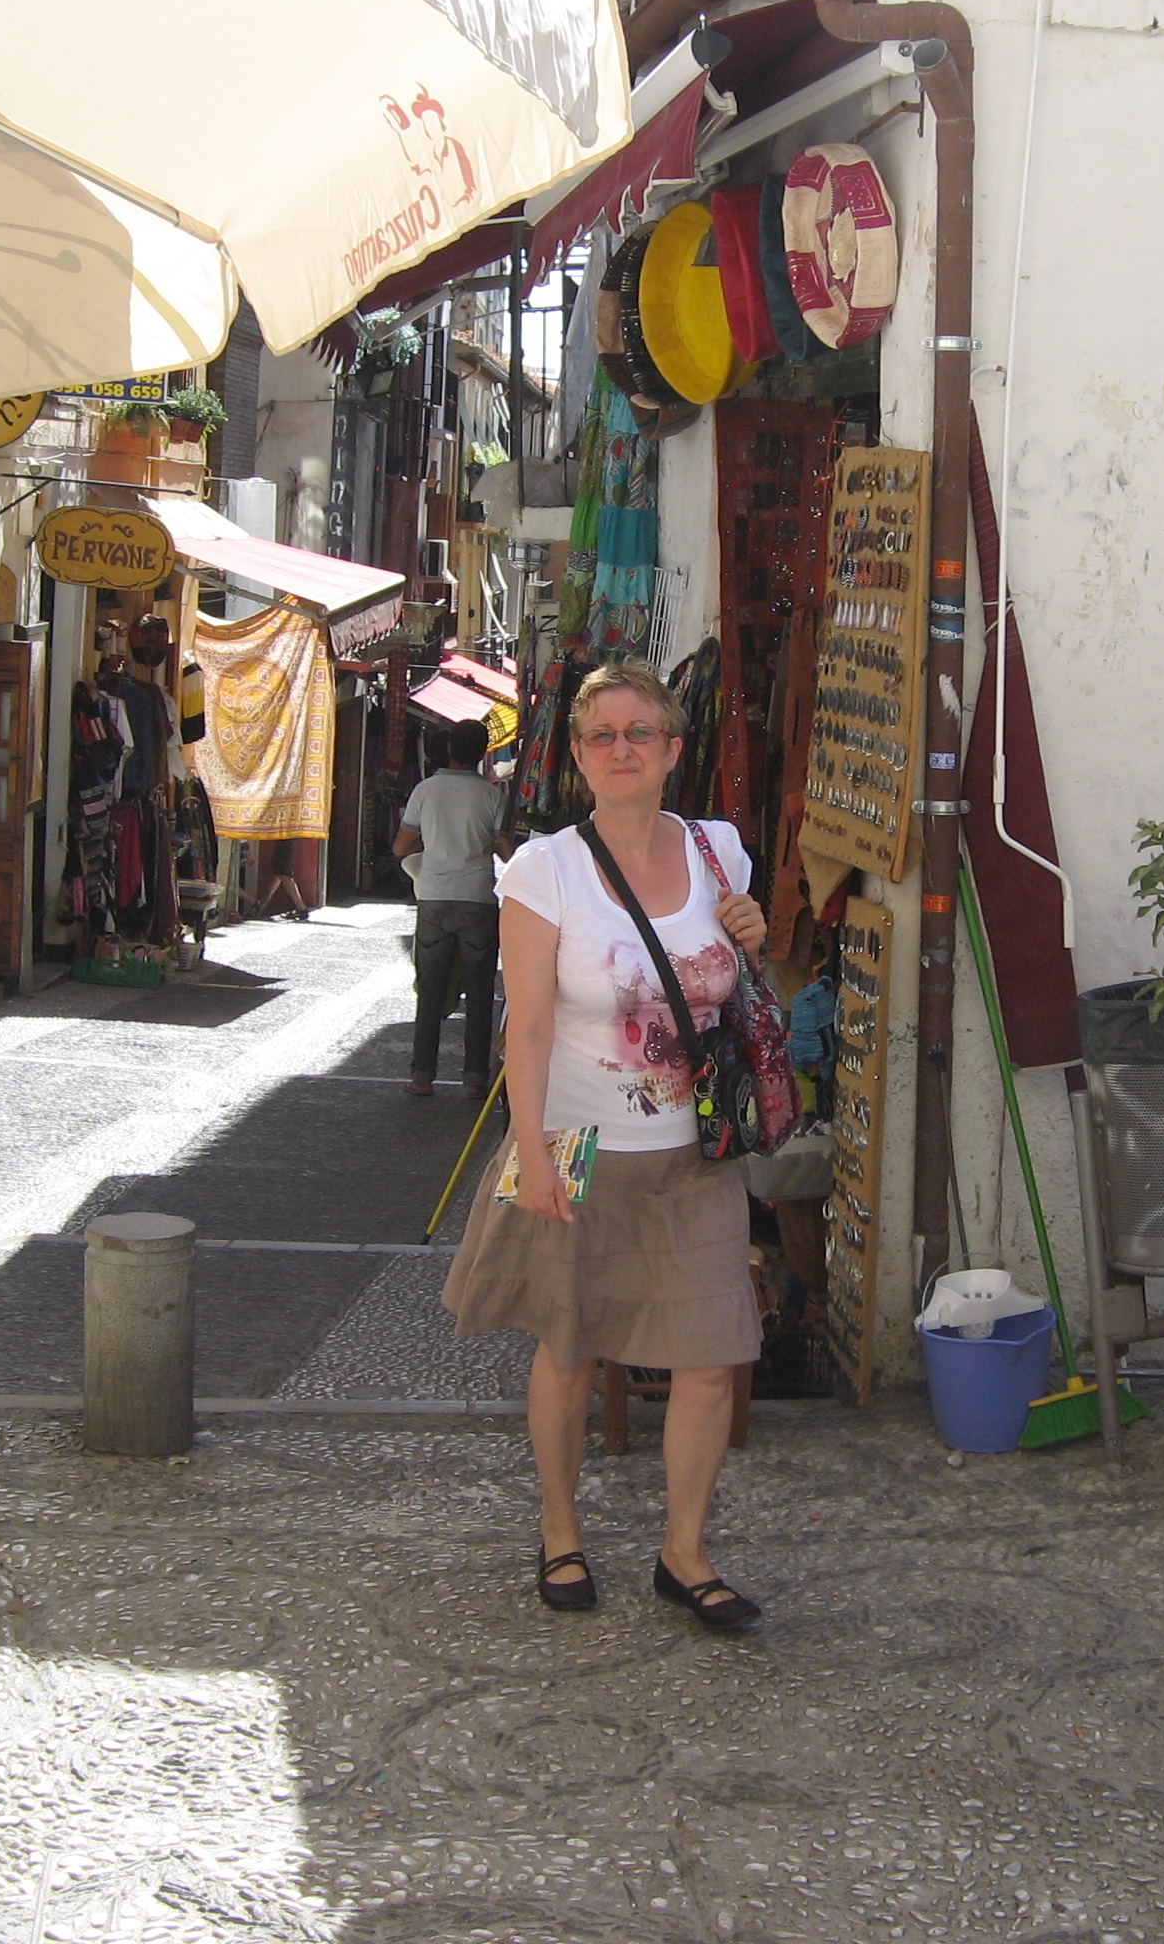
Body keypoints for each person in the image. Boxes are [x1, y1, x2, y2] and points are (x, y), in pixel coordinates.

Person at [441, 661, 772, 1628]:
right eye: (602, 736)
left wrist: (753, 935)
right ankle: (560, 1531)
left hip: (695, 1150)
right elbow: (529, 1028)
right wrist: (532, 1154)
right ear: (579, 756)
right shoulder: (543, 870)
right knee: (569, 1346)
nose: (622, 750)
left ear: (673, 750)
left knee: (710, 1359)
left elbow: (735, 989)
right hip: (572, 1141)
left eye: (641, 733)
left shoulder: (720, 853)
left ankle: (685, 1553)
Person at [394, 722, 513, 1097]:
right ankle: (475, 1079)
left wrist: (433, 846)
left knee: (430, 992)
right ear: (483, 751)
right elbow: (507, 852)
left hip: (434, 896)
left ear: (448, 749)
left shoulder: (425, 790)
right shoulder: (493, 796)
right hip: (478, 899)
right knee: (480, 994)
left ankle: (422, 1076)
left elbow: (400, 847)